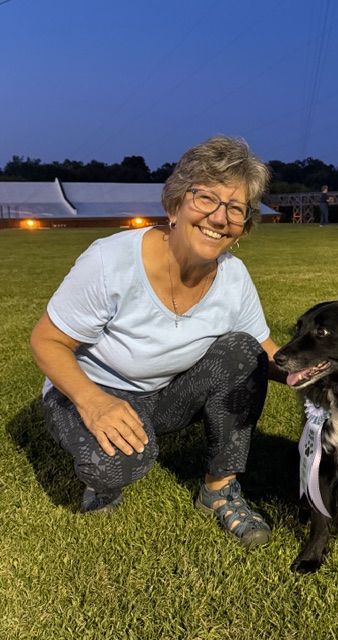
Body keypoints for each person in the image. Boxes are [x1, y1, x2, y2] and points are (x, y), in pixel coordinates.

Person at [30, 136, 283, 549]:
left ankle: (219, 489)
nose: (219, 217)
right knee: (115, 464)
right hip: (90, 388)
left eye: (235, 208)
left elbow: (263, 351)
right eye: (206, 199)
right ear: (175, 206)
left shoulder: (234, 276)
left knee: (242, 350)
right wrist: (94, 403)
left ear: (243, 227)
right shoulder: (111, 261)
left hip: (165, 395)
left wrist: (323, 376)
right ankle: (106, 480)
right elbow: (46, 341)